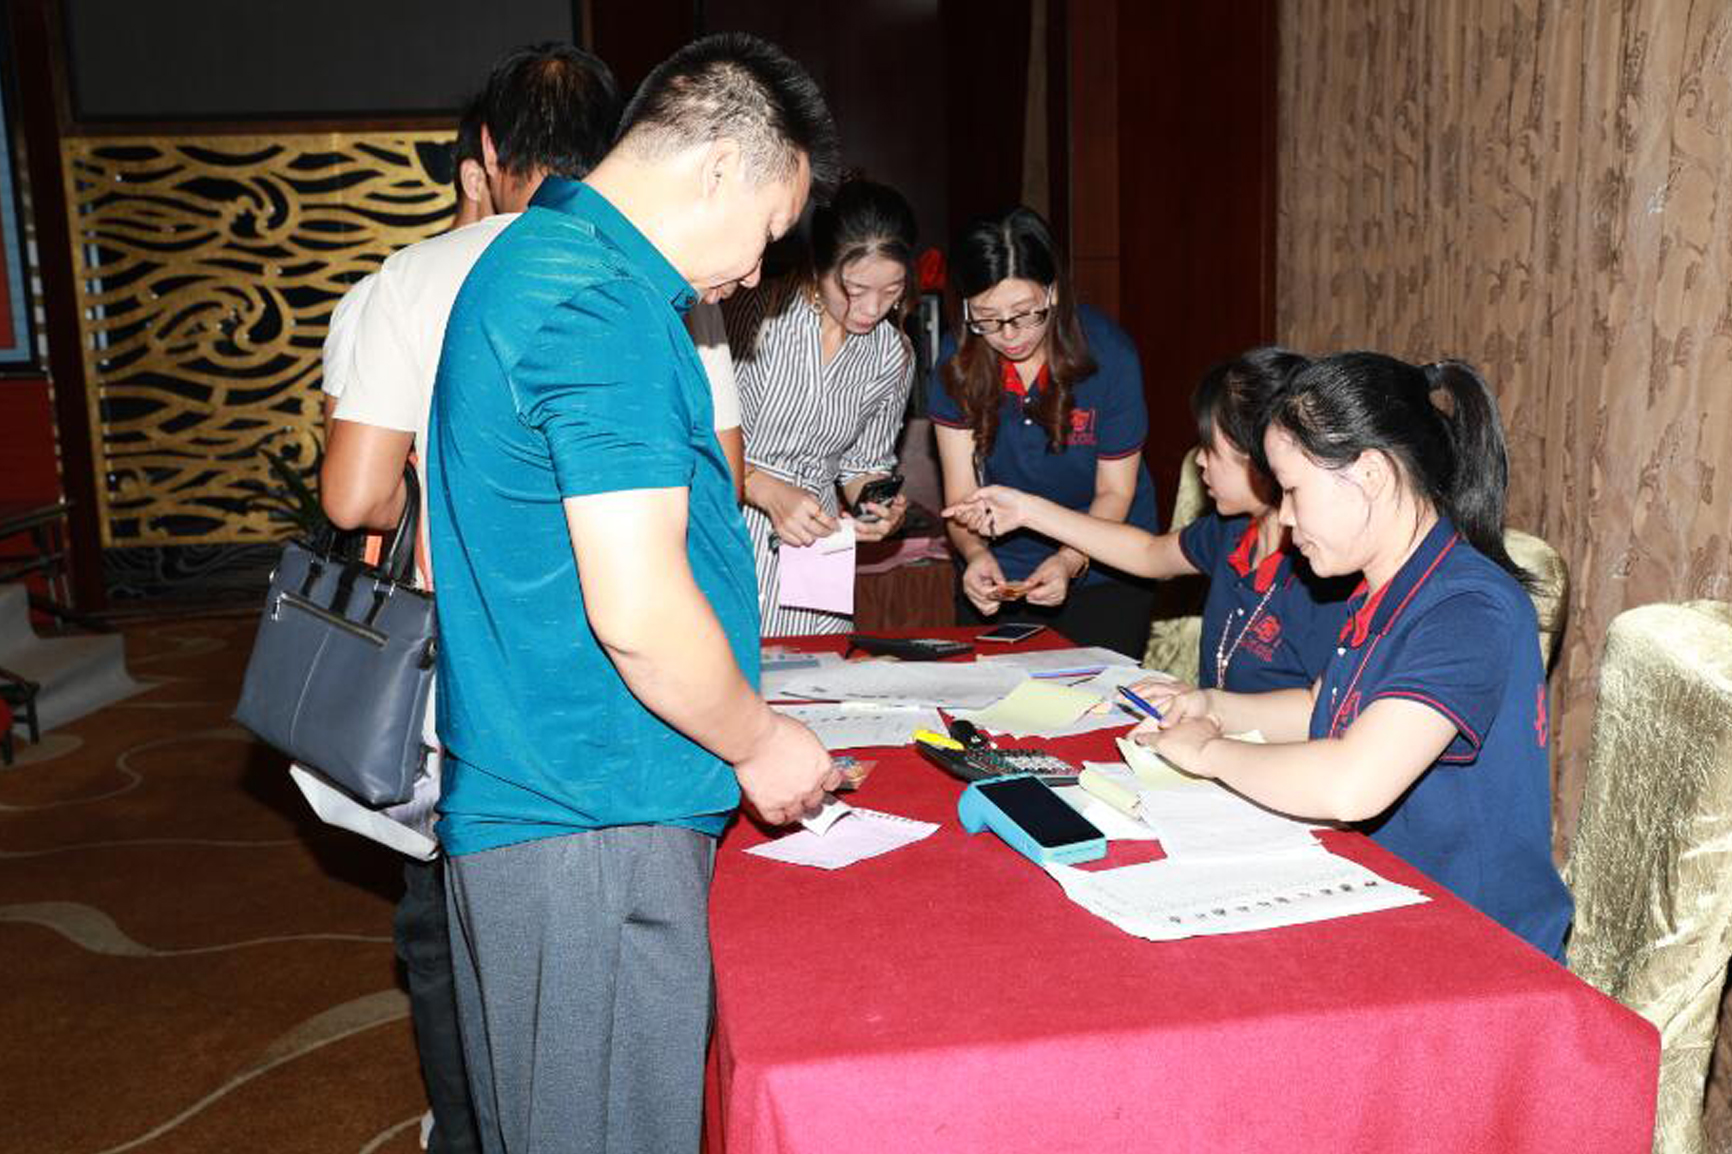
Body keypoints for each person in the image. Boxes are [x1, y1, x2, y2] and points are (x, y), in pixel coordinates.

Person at [425, 33, 842, 1154]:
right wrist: (761, 740)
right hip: (591, 812)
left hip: (564, 797)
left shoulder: (552, 263)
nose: (755, 273)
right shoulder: (597, 305)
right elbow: (640, 609)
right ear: (719, 166)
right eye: (767, 232)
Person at [316, 45, 621, 1154]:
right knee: (609, 913)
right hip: (612, 643)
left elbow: (354, 496)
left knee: (446, 921)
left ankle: (472, 1129)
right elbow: (720, 472)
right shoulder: (647, 273)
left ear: (487, 152)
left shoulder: (409, 279)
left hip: (466, 661)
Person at [1132, 352, 1572, 958]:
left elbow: (1352, 783)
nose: (1285, 517)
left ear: (1370, 474)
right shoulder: (1382, 588)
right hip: (1383, 898)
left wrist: (1209, 753)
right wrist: (1214, 706)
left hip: (1473, 947)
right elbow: (1322, 707)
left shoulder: (1469, 609)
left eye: (1292, 490)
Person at [944, 348, 1353, 691]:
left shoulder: (1321, 571)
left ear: (1262, 457)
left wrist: (1207, 707)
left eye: (1210, 448)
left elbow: (1317, 713)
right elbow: (1149, 554)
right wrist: (1027, 510)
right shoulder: (1231, 532)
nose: (1200, 461)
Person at [929, 206, 1160, 656]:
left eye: (1024, 313)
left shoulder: (1108, 356)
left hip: (1105, 567)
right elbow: (961, 497)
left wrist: (1069, 560)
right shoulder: (957, 361)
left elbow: (1115, 492)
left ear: (1052, 292)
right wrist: (975, 554)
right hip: (1002, 568)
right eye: (987, 317)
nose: (1009, 334)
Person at [725, 177, 918, 633]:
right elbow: (690, 435)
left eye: (892, 291)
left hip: (818, 552)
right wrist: (765, 489)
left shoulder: (891, 353)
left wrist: (880, 508)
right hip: (730, 534)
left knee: (820, 671)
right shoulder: (754, 313)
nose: (872, 309)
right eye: (854, 289)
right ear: (819, 264)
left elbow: (862, 464)